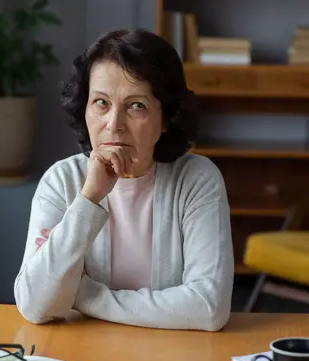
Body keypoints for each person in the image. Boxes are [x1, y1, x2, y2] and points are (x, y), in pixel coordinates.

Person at [14, 28, 234, 331]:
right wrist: (88, 199)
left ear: (166, 119)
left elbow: (209, 308)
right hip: (82, 358)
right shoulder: (61, 181)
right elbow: (34, 305)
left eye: (136, 106)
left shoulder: (197, 180)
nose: (114, 125)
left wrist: (86, 296)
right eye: (101, 103)